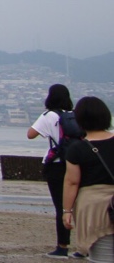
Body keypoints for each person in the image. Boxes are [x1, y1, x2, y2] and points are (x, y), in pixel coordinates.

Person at [61, 95, 114, 262]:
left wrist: (67, 211)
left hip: (95, 209)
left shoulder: (77, 149)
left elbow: (72, 182)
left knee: (103, 257)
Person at [31, 83, 80, 257]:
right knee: (80, 206)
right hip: (76, 163)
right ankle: (83, 247)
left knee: (61, 206)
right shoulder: (75, 115)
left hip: (57, 165)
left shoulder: (48, 115)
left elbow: (30, 134)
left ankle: (62, 247)